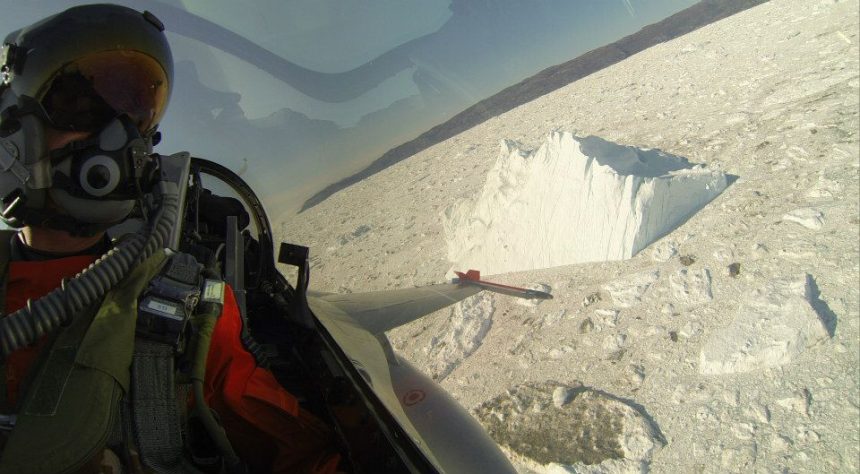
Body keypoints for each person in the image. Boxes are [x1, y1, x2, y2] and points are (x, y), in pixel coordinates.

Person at [0, 5, 339, 473]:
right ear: (13, 132)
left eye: (135, 114)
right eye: (83, 106)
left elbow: (303, 457)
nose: (119, 138)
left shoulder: (185, 306)